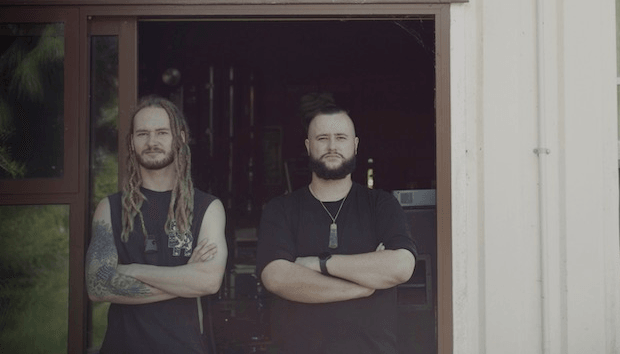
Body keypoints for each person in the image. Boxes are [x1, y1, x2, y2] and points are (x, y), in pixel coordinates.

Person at [256, 105, 417, 354]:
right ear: (309, 146)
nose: (332, 146)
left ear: (355, 145)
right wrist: (362, 286)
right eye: (323, 138)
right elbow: (276, 277)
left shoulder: (381, 204)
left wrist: (320, 264)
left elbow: (401, 266)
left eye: (340, 138)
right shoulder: (281, 209)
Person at [85, 96, 227, 354]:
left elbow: (208, 281)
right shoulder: (110, 209)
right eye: (142, 134)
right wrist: (185, 279)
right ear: (131, 142)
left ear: (181, 138)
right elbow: (97, 285)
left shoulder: (207, 207)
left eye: (162, 132)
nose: (152, 142)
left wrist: (131, 269)